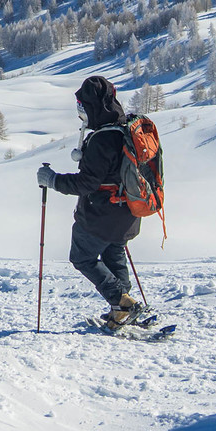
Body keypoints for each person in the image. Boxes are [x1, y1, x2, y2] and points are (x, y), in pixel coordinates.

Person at [39, 74, 143, 330]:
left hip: (100, 216)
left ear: (92, 107)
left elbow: (87, 183)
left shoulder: (102, 138)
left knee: (82, 257)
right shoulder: (126, 129)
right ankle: (121, 308)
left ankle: (122, 302)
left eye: (81, 108)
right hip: (128, 212)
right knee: (113, 254)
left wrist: (52, 180)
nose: (80, 114)